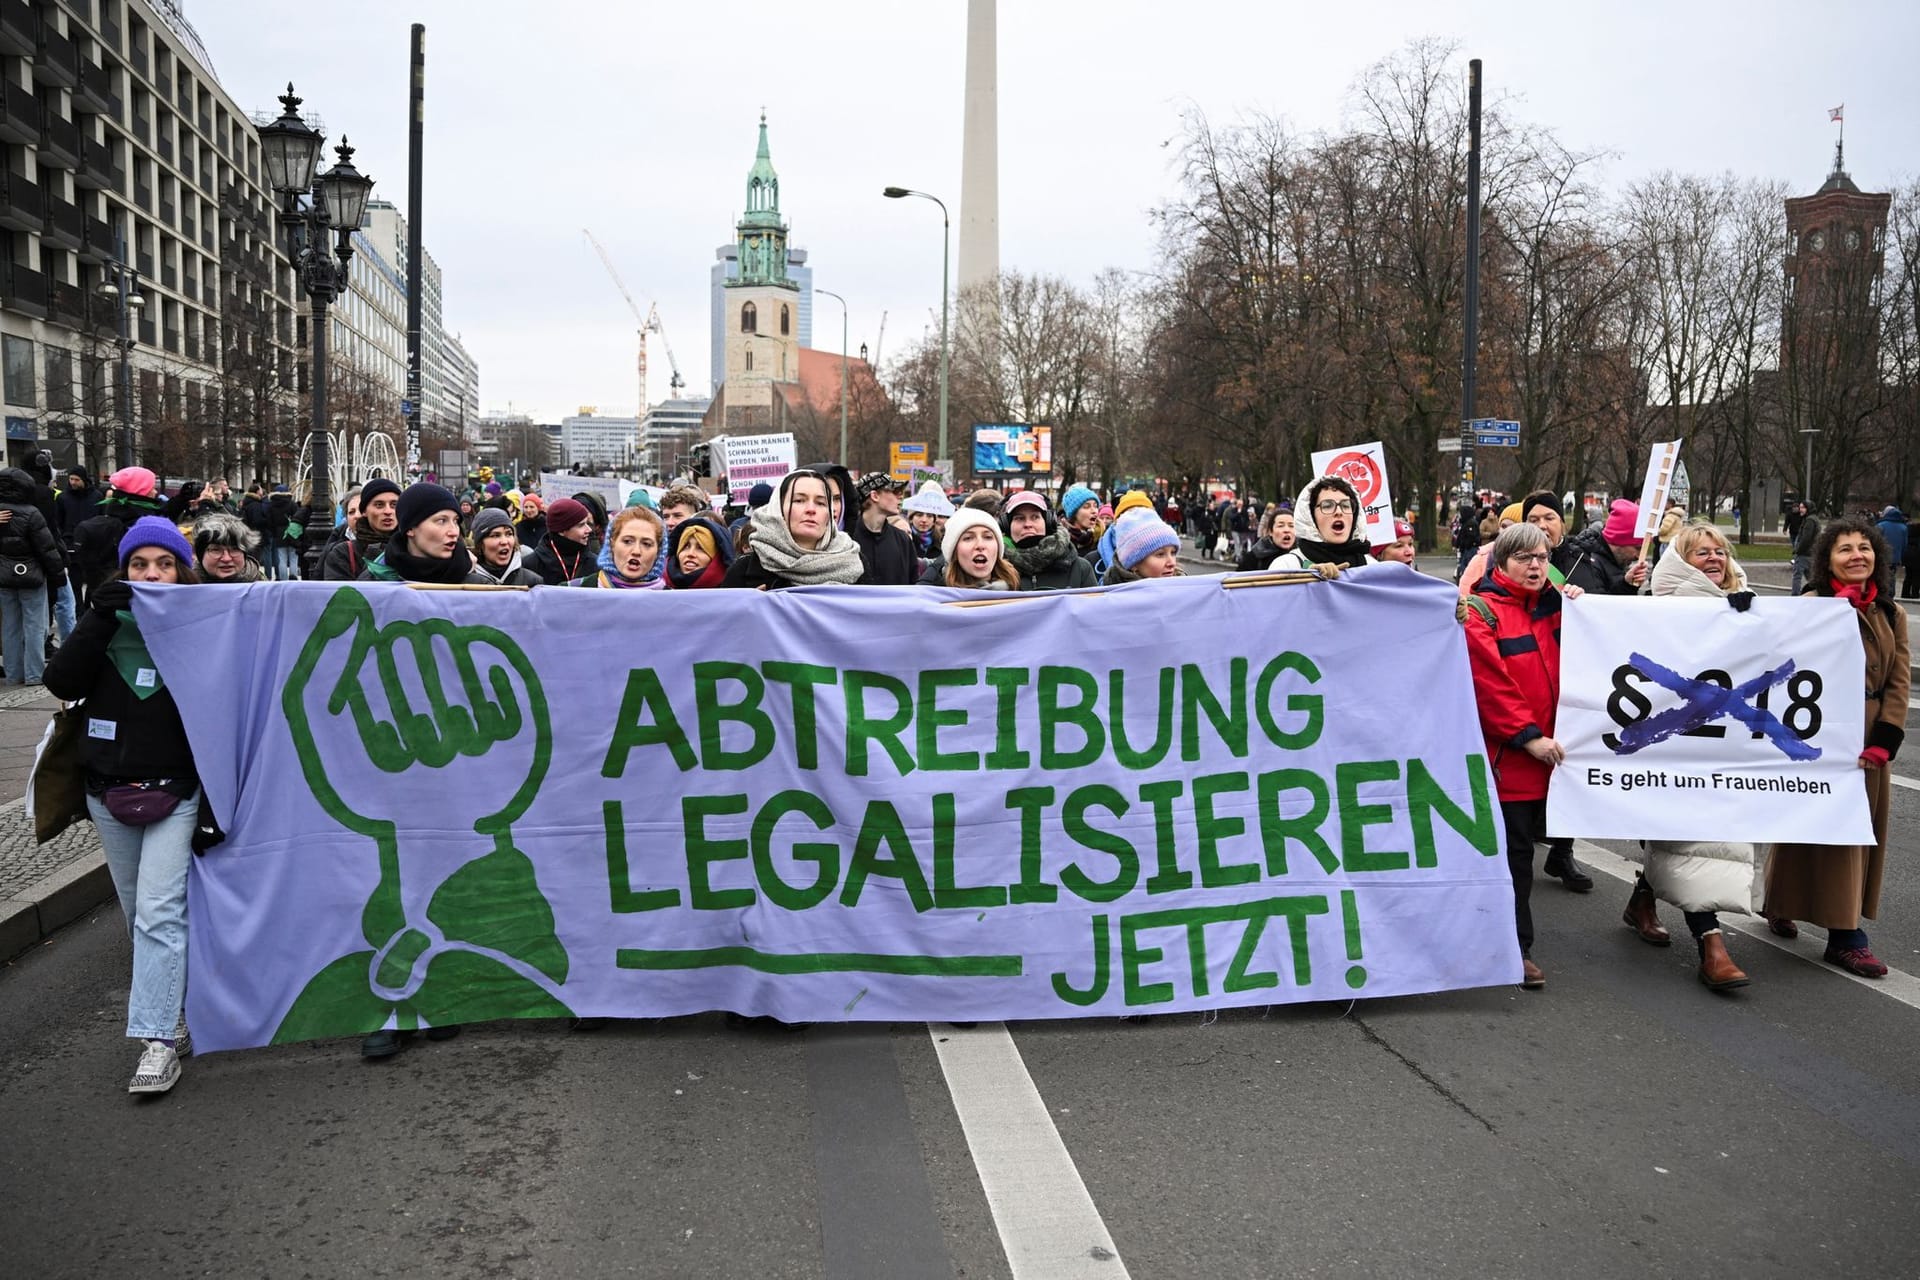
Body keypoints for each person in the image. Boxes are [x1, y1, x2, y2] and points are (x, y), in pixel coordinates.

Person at [43, 516, 203, 1094]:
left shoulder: (200, 627)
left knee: (160, 911)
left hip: (178, 789)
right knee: (141, 915)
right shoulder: (105, 624)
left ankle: (157, 1040)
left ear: (181, 572)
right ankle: (175, 1010)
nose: (151, 575)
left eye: (164, 564)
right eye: (140, 564)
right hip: (107, 790)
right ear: (124, 570)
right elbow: (60, 682)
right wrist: (96, 617)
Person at [1762, 516, 1910, 978]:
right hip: (1818, 729)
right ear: (1827, 561)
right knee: (1807, 823)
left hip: (1865, 739)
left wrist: (1886, 738)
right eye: (1844, 549)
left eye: (1864, 547)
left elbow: (1899, 682)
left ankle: (1844, 932)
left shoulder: (1891, 612)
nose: (1856, 556)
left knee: (1853, 833)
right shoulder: (1813, 605)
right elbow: (1773, 653)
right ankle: (1812, 917)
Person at [1620, 521, 1757, 989]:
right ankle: (1711, 945)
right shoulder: (1662, 610)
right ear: (1681, 563)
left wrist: (1749, 619)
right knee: (1690, 839)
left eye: (1719, 551)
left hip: (1723, 747)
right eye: (1702, 553)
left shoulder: (1746, 603)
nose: (1715, 559)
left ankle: (1643, 898)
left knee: (1700, 840)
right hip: (1670, 746)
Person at [1463, 522, 1586, 991]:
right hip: (1513, 761)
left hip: (1562, 759)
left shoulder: (1559, 607)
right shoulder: (1482, 613)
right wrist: (1527, 736)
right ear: (1502, 563)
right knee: (1515, 858)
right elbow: (1489, 686)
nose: (1536, 566)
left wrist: (1585, 604)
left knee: (1532, 852)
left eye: (1542, 557)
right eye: (1524, 558)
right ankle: (1516, 948)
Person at [722, 469, 866, 590]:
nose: (811, 509)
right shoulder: (744, 570)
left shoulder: (853, 562)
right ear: (778, 508)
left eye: (821, 503)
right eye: (799, 500)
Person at [0, 467, 64, 685]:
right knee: (35, 625)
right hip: (32, 575)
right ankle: (34, 674)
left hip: (3, 577)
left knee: (10, 626)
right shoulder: (31, 513)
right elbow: (47, 549)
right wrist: (58, 576)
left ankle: (12, 673)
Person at [74, 467, 168, 592]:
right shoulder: (142, 525)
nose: (155, 491)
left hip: (102, 593)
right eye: (151, 487)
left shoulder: (115, 516)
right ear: (141, 491)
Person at [358, 483, 473, 585]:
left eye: (456, 521)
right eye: (441, 521)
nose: (454, 532)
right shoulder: (372, 582)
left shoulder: (477, 585)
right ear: (410, 529)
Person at [1271, 476, 1374, 574]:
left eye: (1346, 506)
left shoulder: (1371, 567)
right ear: (1310, 516)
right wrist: (1307, 580)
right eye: (1327, 506)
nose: (1339, 512)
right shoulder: (1287, 566)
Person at [999, 490, 1097, 590]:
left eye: (1035, 517)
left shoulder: (1080, 569)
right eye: (1019, 518)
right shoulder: (996, 570)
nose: (1028, 524)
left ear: (1049, 523)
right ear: (1006, 526)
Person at [1560, 498, 1649, 597]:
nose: (1638, 556)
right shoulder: (1588, 564)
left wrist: (1627, 584)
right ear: (1619, 540)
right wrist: (1625, 586)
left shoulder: (1612, 560)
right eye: (1637, 548)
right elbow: (1600, 609)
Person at [319, 477, 401, 581]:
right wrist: (374, 563)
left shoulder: (413, 547)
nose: (388, 511)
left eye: (394, 505)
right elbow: (343, 594)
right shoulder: (343, 553)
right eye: (379, 505)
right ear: (364, 512)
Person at [923, 506, 1020, 589]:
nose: (980, 545)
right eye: (968, 538)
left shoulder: (1018, 592)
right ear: (954, 552)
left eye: (988, 537)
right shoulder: (932, 598)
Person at [850, 472, 919, 585]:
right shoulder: (847, 539)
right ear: (875, 496)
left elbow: (914, 584)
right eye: (895, 491)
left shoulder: (903, 540)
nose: (901, 496)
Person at [574, 506, 667, 589]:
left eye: (646, 544)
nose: (636, 551)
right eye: (627, 541)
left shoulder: (673, 601)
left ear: (658, 552)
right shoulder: (574, 591)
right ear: (612, 544)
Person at [1099, 508, 1183, 584]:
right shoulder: (1113, 597)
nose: (1172, 563)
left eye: (1173, 553)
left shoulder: (1185, 589)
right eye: (1160, 554)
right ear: (1134, 564)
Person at [528, 496, 596, 586]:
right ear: (562, 531)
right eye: (581, 525)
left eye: (587, 523)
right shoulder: (531, 565)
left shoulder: (595, 563)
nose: (589, 530)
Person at [465, 508, 543, 586]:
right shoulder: (468, 584)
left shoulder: (532, 582)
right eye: (495, 535)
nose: (505, 542)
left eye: (509, 534)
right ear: (480, 544)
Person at [192, 510, 266, 584]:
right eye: (216, 550)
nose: (226, 559)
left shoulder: (263, 587)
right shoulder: (186, 584)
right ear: (200, 555)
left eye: (235, 549)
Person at [665, 514, 736, 589]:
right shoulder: (658, 589)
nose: (690, 553)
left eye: (701, 548)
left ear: (717, 557)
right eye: (686, 546)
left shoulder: (734, 593)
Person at [902, 480, 954, 563]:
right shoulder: (903, 540)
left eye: (929, 516)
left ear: (934, 520)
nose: (924, 520)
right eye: (919, 515)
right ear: (911, 518)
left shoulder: (943, 543)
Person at [1789, 502, 1820, 597]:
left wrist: (1798, 550)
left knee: (1797, 575)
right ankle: (1818, 591)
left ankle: (1795, 596)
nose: (1800, 510)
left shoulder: (1809, 520)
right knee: (1810, 576)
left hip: (1804, 553)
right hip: (1811, 552)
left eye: (1803, 508)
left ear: (1808, 509)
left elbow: (1806, 538)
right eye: (1800, 507)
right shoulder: (1814, 519)